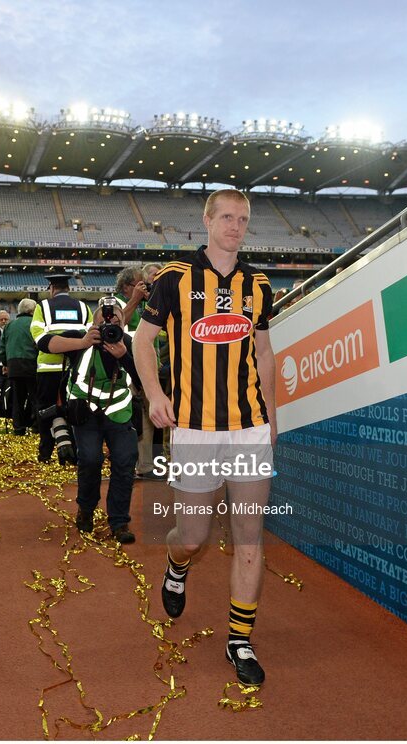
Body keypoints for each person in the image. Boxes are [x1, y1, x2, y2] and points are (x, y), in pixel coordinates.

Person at [134, 188, 276, 686]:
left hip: (249, 427)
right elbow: (142, 339)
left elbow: (263, 353)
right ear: (207, 220)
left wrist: (271, 420)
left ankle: (239, 642)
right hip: (193, 429)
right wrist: (154, 394)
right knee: (193, 535)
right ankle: (176, 566)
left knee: (249, 542)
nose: (236, 226)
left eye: (243, 219)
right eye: (228, 217)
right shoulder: (174, 278)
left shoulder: (259, 284)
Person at [46, 296, 138, 544]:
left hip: (119, 414)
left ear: (123, 320)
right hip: (85, 413)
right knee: (89, 459)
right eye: (104, 317)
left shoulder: (129, 341)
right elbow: (45, 343)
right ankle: (85, 509)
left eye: (115, 316)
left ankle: (119, 521)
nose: (110, 322)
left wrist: (125, 356)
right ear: (94, 320)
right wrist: (84, 341)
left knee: (125, 461)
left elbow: (144, 380)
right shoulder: (81, 337)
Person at [31, 270, 91, 464]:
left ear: (52, 288)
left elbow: (39, 338)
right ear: (68, 288)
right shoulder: (83, 307)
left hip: (48, 370)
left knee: (45, 411)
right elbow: (90, 337)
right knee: (73, 409)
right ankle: (72, 451)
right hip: (75, 370)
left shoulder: (43, 307)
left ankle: (46, 452)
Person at [135, 262, 170, 479]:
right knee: (148, 419)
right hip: (148, 368)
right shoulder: (141, 303)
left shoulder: (169, 297)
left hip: (169, 366)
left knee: (169, 417)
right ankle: (147, 465)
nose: (158, 278)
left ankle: (166, 460)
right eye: (154, 275)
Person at [0, 298, 39, 435]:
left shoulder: (10, 326)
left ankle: (18, 427)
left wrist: (5, 363)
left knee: (18, 398)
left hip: (14, 365)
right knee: (35, 397)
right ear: (32, 310)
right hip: (32, 364)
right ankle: (36, 425)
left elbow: (2, 347)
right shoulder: (35, 323)